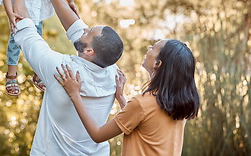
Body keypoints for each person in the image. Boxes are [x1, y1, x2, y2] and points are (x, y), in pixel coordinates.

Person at [10, 0, 124, 155]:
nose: (85, 29)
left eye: (90, 32)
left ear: (89, 51)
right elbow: (75, 26)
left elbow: (25, 31)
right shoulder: (112, 70)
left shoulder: (63, 71)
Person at [55, 39, 200, 156]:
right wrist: (121, 98)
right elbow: (144, 125)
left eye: (153, 47)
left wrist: (75, 95)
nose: (149, 47)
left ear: (158, 64)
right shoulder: (179, 104)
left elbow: (97, 135)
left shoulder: (142, 103)